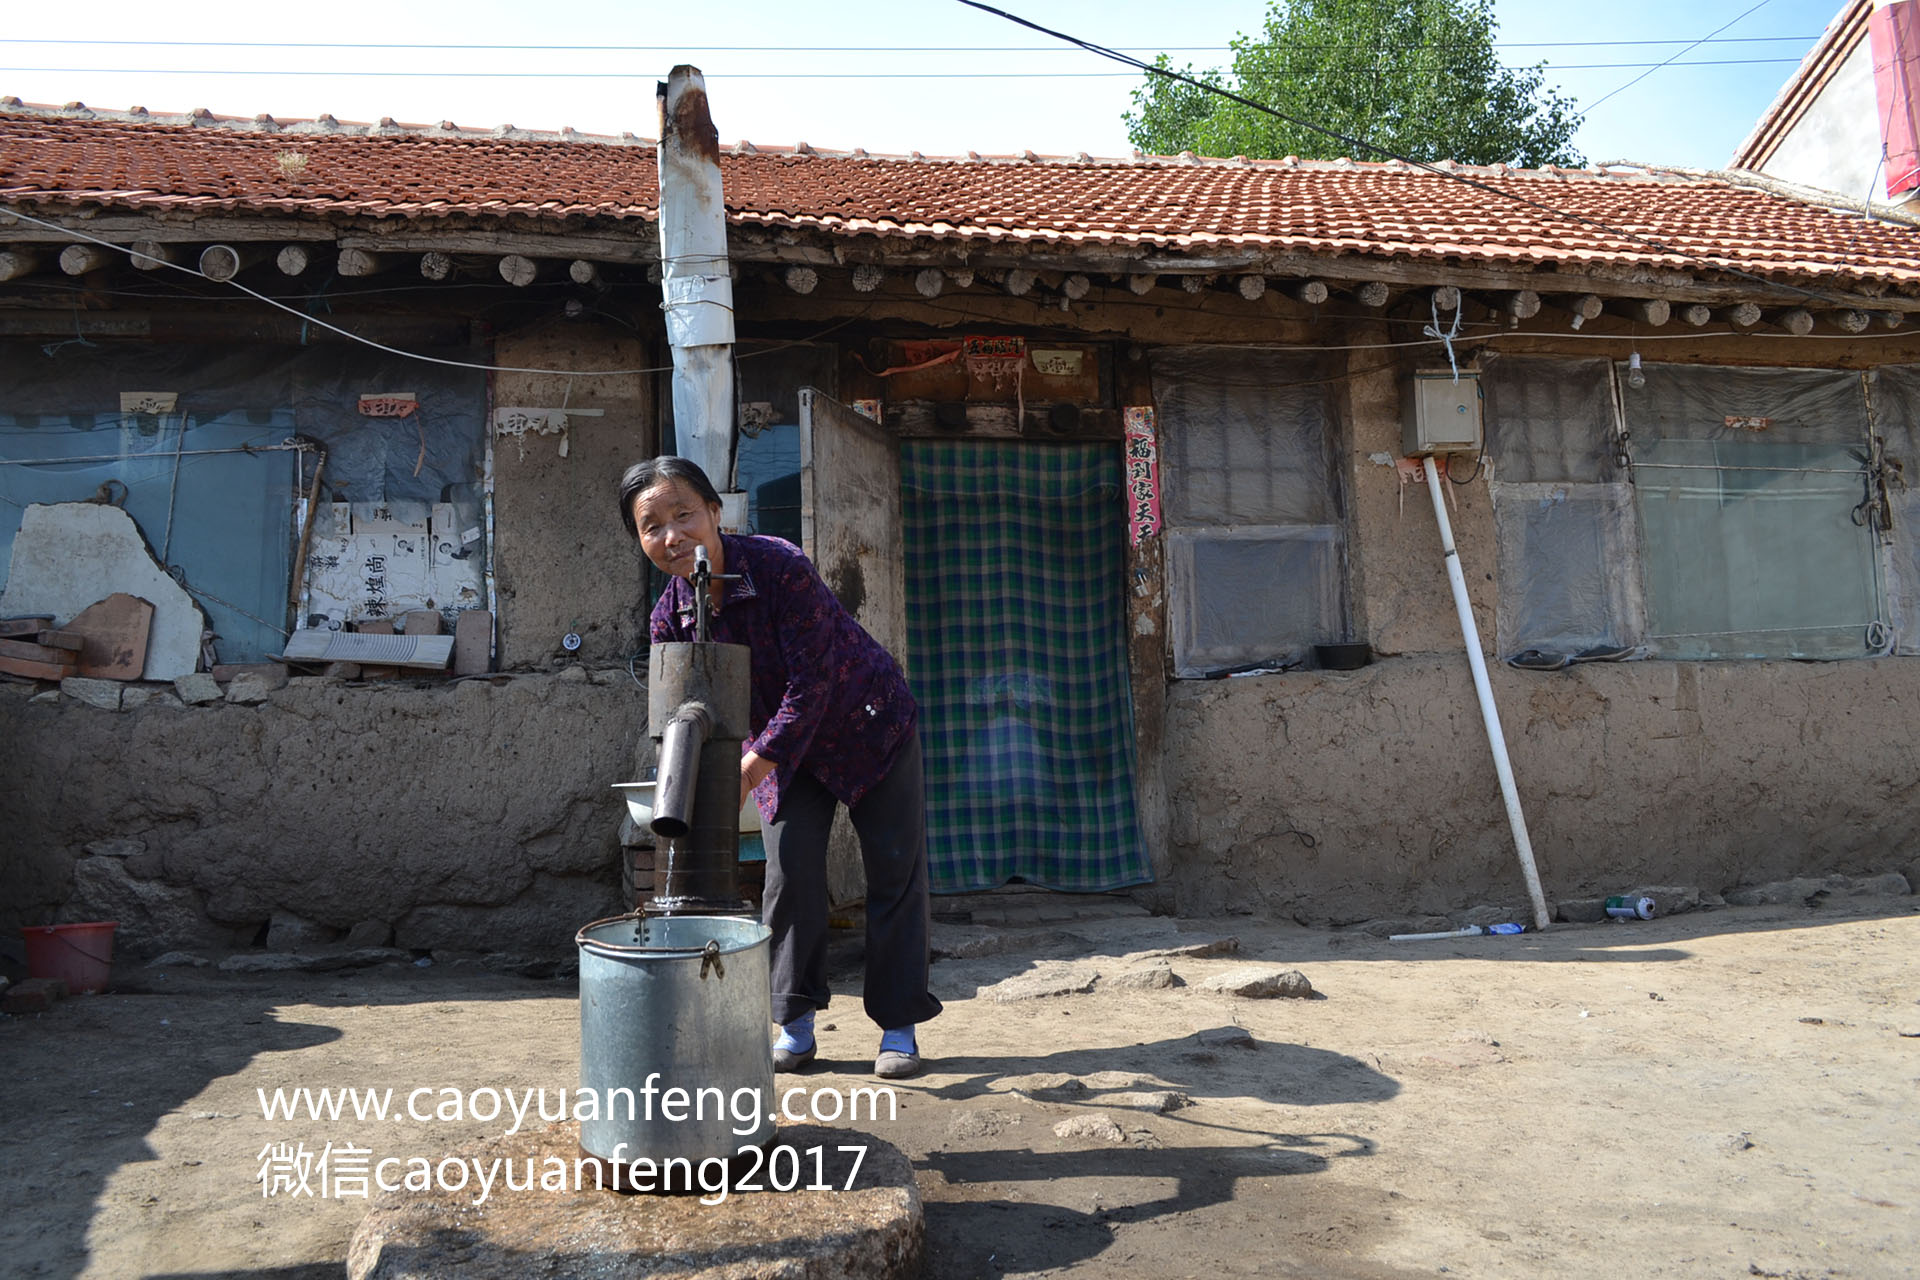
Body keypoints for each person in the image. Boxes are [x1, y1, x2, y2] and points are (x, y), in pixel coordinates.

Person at [619, 455, 942, 1079]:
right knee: (788, 877)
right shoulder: (669, 618)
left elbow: (814, 679)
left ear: (716, 512)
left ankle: (898, 1030)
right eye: (651, 526)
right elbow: (680, 712)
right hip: (785, 751)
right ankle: (795, 1029)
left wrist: (749, 767)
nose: (671, 536)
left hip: (869, 724)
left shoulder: (777, 566)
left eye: (684, 515)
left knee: (894, 872)